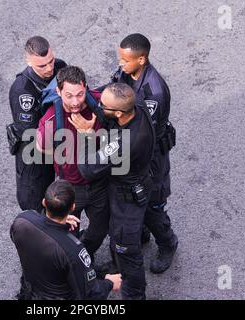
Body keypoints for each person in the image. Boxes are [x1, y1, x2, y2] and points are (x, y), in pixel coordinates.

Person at [76, 83, 156, 300]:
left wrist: (86, 135)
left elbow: (88, 168)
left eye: (104, 106)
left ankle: (134, 294)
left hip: (126, 198)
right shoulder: (135, 102)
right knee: (136, 229)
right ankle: (121, 259)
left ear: (119, 113)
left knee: (125, 248)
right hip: (141, 179)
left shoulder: (124, 143)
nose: (99, 107)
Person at [112, 33, 178, 273]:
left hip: (150, 156)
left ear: (141, 59)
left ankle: (168, 243)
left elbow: (143, 130)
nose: (120, 63)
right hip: (134, 149)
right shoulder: (127, 72)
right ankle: (142, 233)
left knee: (152, 204)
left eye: (125, 59)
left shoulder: (154, 92)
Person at [35, 66, 109, 261]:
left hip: (99, 183)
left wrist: (89, 134)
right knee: (65, 231)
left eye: (80, 94)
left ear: (85, 87)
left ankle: (84, 255)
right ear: (58, 92)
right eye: (69, 96)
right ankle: (73, 260)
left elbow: (118, 140)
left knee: (100, 229)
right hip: (70, 186)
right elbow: (40, 147)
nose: (75, 102)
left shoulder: (102, 104)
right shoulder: (51, 118)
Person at [10, 179, 122, 300]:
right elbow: (89, 293)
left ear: (44, 202)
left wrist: (57, 224)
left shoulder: (22, 221)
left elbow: (37, 225)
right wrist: (109, 283)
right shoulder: (73, 250)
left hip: (30, 291)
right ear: (73, 207)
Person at [8, 36, 66, 211]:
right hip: (34, 152)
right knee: (33, 200)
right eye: (42, 65)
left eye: (51, 61)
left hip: (58, 140)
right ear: (28, 61)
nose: (49, 68)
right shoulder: (23, 90)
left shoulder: (60, 67)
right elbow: (30, 134)